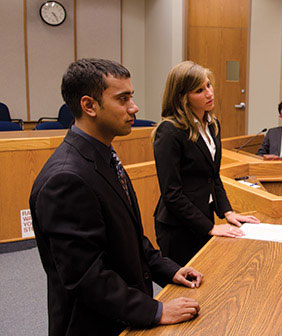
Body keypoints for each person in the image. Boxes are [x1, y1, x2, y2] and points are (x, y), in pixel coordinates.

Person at [29, 58, 203, 336]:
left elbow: (128, 237)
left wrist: (168, 270)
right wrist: (155, 310)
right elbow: (86, 277)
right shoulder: (65, 179)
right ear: (89, 105)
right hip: (95, 325)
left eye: (131, 97)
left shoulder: (104, 156)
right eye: (123, 99)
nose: (134, 108)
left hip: (122, 314)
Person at [153, 61, 260, 266]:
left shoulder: (212, 124)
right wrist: (209, 228)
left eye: (209, 85)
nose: (209, 93)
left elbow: (213, 176)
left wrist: (228, 212)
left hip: (203, 217)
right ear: (183, 97)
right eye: (199, 90)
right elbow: (172, 194)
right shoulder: (169, 132)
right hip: (178, 228)